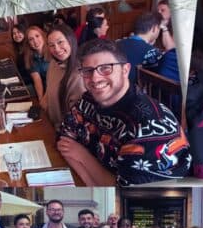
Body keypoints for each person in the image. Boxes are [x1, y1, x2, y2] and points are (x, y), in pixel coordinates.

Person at [57, 39, 192, 186]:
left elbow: (123, 193)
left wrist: (82, 156)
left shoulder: (148, 129)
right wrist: (90, 178)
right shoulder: (88, 99)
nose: (95, 78)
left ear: (125, 70)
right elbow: (64, 139)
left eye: (106, 68)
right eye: (88, 71)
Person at [116, 11, 176, 86]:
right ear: (154, 29)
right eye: (159, 28)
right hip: (135, 89)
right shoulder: (151, 52)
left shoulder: (117, 43)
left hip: (117, 85)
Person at [42, 24, 85, 129]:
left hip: (64, 131)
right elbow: (48, 92)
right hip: (49, 124)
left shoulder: (79, 75)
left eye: (60, 42)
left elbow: (76, 120)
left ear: (71, 40)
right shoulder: (54, 63)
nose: (56, 49)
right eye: (51, 45)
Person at [13, 23, 50, 102]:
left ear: (43, 36)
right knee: (15, 92)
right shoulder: (31, 57)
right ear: (28, 43)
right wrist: (41, 100)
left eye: (37, 36)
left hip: (54, 88)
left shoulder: (52, 50)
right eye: (31, 39)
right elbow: (37, 80)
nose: (35, 41)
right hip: (42, 87)